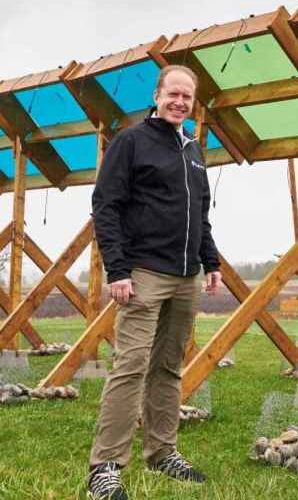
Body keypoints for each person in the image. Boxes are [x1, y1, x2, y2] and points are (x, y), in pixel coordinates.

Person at [86, 64, 222, 500]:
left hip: (186, 278)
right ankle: (104, 469)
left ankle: (163, 451)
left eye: (187, 97)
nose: (180, 102)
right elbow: (105, 206)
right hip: (143, 272)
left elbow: (200, 213)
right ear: (158, 95)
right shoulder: (131, 142)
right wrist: (118, 269)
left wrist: (211, 260)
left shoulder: (194, 150)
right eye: (173, 94)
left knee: (168, 367)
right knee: (131, 365)